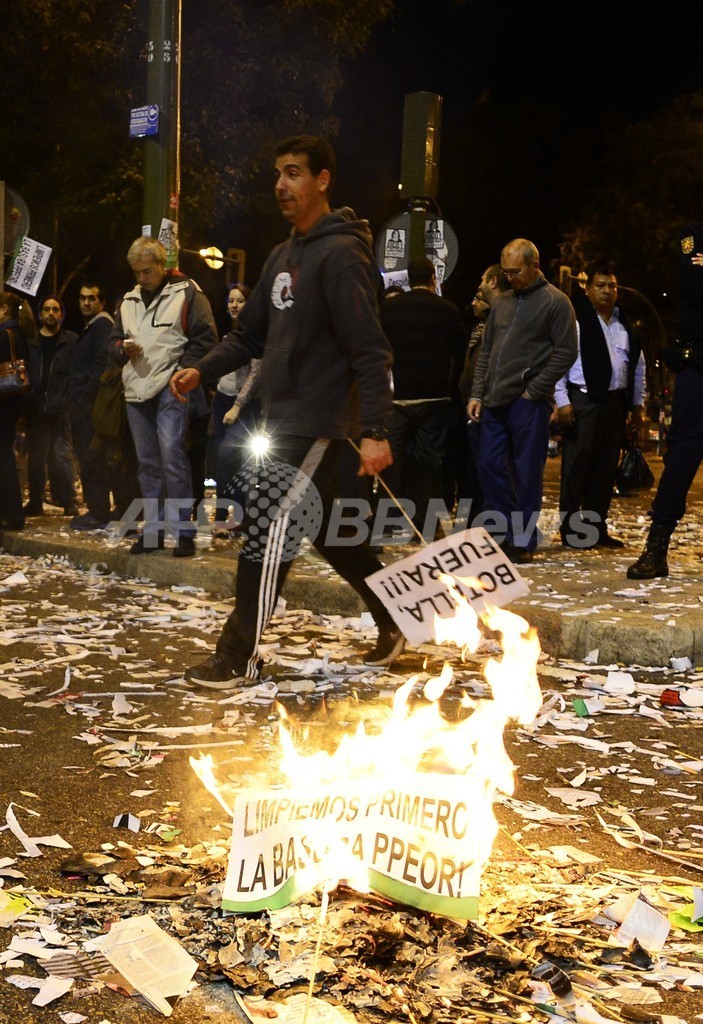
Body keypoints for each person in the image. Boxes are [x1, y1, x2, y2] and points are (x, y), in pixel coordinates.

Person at [171, 134, 401, 688]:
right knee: (331, 533)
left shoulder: (343, 253)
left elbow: (370, 349)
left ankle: (239, 657)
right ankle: (394, 618)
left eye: (294, 172)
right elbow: (248, 334)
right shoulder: (281, 255)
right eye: (278, 173)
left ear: (323, 181)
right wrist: (202, 368)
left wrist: (374, 429)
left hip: (316, 420)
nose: (281, 184)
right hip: (278, 418)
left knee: (266, 530)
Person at [468, 239, 577, 562]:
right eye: (506, 271)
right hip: (494, 399)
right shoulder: (501, 303)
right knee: (488, 465)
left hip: (527, 402)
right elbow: (486, 352)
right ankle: (504, 531)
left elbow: (567, 351)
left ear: (535, 266)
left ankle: (522, 540)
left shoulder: (556, 303)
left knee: (527, 471)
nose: (510, 278)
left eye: (516, 271)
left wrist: (536, 389)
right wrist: (477, 393)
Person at [111, 237, 218, 557]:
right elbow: (113, 344)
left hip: (172, 385)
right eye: (136, 272)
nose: (141, 278)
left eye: (146, 271)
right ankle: (154, 530)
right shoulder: (128, 300)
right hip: (136, 389)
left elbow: (206, 337)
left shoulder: (187, 292)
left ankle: (183, 531)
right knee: (147, 462)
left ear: (162, 265)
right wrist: (121, 349)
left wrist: (183, 370)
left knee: (172, 455)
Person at [627, 224, 703, 579]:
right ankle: (656, 547)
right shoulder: (694, 236)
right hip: (697, 368)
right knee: (683, 456)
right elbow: (694, 284)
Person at [555, 268, 646, 549]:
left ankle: (596, 530)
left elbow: (637, 366)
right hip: (583, 400)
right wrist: (562, 400)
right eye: (601, 285)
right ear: (589, 289)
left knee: (604, 471)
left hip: (614, 403)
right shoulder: (578, 321)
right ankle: (571, 532)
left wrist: (637, 404)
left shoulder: (623, 324)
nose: (607, 291)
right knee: (576, 467)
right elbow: (561, 360)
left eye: (613, 286)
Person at [379, 256, 466, 539]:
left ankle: (388, 524)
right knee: (428, 464)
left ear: (408, 279)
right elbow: (460, 353)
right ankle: (425, 525)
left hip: (397, 399)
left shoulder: (389, 310)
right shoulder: (448, 310)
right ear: (433, 279)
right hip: (434, 398)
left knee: (393, 462)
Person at [458, 265, 511, 520]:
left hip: (492, 407)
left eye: (482, 282)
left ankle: (490, 520)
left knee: (490, 468)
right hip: (477, 406)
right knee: (477, 468)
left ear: (492, 282)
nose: (477, 290)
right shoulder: (484, 325)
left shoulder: (503, 319)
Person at [209, 282, 261, 535]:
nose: (234, 305)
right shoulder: (229, 336)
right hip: (221, 400)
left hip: (244, 406)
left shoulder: (254, 335)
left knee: (236, 460)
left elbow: (255, 373)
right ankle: (221, 517)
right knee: (221, 462)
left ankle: (239, 517)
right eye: (231, 300)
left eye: (240, 300)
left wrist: (238, 406)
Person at [24, 295, 78, 516]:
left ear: (61, 314)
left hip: (60, 407)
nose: (51, 313)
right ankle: (36, 501)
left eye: (55, 310)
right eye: (47, 309)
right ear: (40, 314)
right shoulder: (32, 342)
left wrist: (69, 400)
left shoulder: (70, 341)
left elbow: (76, 372)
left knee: (63, 455)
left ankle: (70, 501)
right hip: (36, 408)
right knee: (35, 456)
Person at [68, 282, 115, 530]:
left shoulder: (101, 325)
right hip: (84, 401)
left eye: (92, 298)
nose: (86, 302)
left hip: (90, 404)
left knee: (92, 458)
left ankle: (98, 512)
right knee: (88, 458)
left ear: (101, 302)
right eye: (83, 298)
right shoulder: (94, 326)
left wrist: (86, 396)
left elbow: (101, 363)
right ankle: (96, 510)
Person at [0, 292, 31, 531]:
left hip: (2, 403)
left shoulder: (3, 335)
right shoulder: (20, 334)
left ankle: (12, 513)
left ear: (3, 310)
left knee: (4, 458)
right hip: (12, 403)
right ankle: (12, 513)